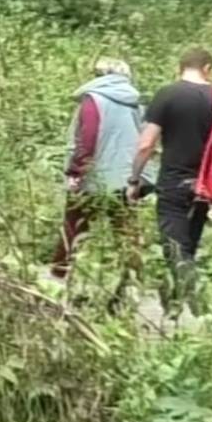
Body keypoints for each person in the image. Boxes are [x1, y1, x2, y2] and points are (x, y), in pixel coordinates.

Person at [128, 47, 212, 280]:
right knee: (188, 249)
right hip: (205, 187)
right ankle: (182, 306)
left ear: (180, 68)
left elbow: (146, 144)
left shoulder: (167, 94)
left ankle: (195, 306)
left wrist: (134, 179)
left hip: (174, 183)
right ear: (207, 69)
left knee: (176, 252)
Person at [51, 58, 147, 280]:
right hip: (126, 177)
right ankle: (133, 279)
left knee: (74, 227)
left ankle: (59, 275)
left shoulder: (93, 99)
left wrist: (76, 171)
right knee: (126, 231)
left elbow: (88, 137)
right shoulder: (136, 102)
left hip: (93, 177)